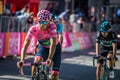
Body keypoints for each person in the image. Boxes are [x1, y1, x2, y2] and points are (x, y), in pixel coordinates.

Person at [17, 10, 61, 80]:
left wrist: (49, 58)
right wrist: (22, 60)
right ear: (37, 21)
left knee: (54, 76)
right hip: (43, 47)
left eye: (45, 22)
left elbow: (53, 43)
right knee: (36, 61)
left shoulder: (52, 26)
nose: (42, 25)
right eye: (41, 22)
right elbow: (25, 45)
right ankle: (34, 78)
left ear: (49, 22)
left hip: (55, 48)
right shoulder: (33, 29)